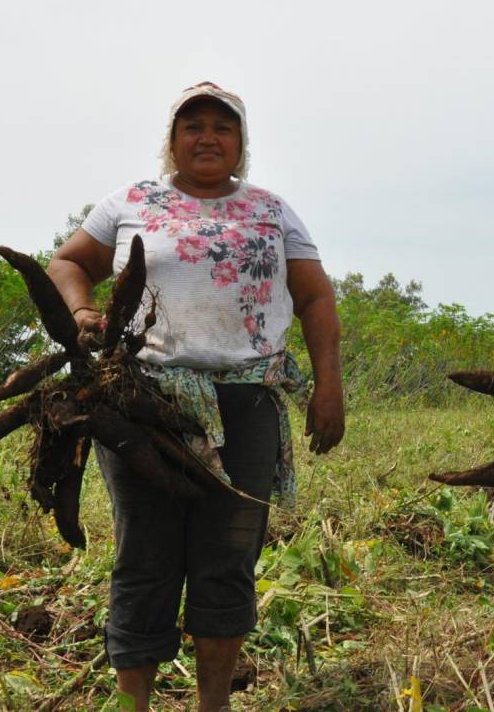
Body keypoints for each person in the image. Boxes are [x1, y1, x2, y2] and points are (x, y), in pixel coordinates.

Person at [48, 81, 345, 711]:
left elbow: (316, 296)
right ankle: (135, 705)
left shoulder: (272, 209)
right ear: (172, 140)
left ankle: (214, 704)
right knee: (144, 557)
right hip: (142, 401)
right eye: (193, 126)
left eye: (222, 127)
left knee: (228, 557)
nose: (207, 137)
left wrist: (329, 385)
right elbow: (68, 263)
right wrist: (80, 311)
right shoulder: (133, 202)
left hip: (248, 401)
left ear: (240, 144)